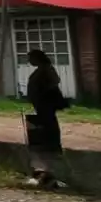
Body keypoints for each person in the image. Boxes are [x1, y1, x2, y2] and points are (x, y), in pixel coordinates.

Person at [25, 49, 68, 187]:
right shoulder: (41, 69)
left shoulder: (46, 69)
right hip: (41, 104)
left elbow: (55, 81)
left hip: (46, 103)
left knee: (49, 123)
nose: (29, 61)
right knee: (45, 124)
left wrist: (44, 91)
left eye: (31, 58)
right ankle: (48, 144)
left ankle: (52, 145)